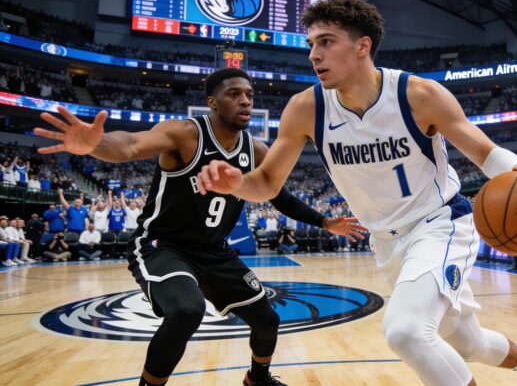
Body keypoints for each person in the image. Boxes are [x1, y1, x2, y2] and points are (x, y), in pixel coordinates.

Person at [196, 0, 517, 386]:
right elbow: (267, 184)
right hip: (386, 242)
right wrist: (238, 183)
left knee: (407, 332)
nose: (313, 55)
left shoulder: (417, 95)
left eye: (326, 42)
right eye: (311, 45)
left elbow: (486, 154)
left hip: (439, 224)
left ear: (362, 46)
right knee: (466, 343)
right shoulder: (305, 108)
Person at [34, 67, 367, 386]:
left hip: (215, 252)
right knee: (186, 310)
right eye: (234, 94)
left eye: (249, 95)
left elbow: (279, 196)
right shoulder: (185, 134)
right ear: (212, 102)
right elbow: (131, 145)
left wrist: (325, 222)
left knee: (268, 319)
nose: (246, 101)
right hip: (163, 246)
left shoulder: (258, 150)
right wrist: (97, 144)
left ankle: (258, 378)